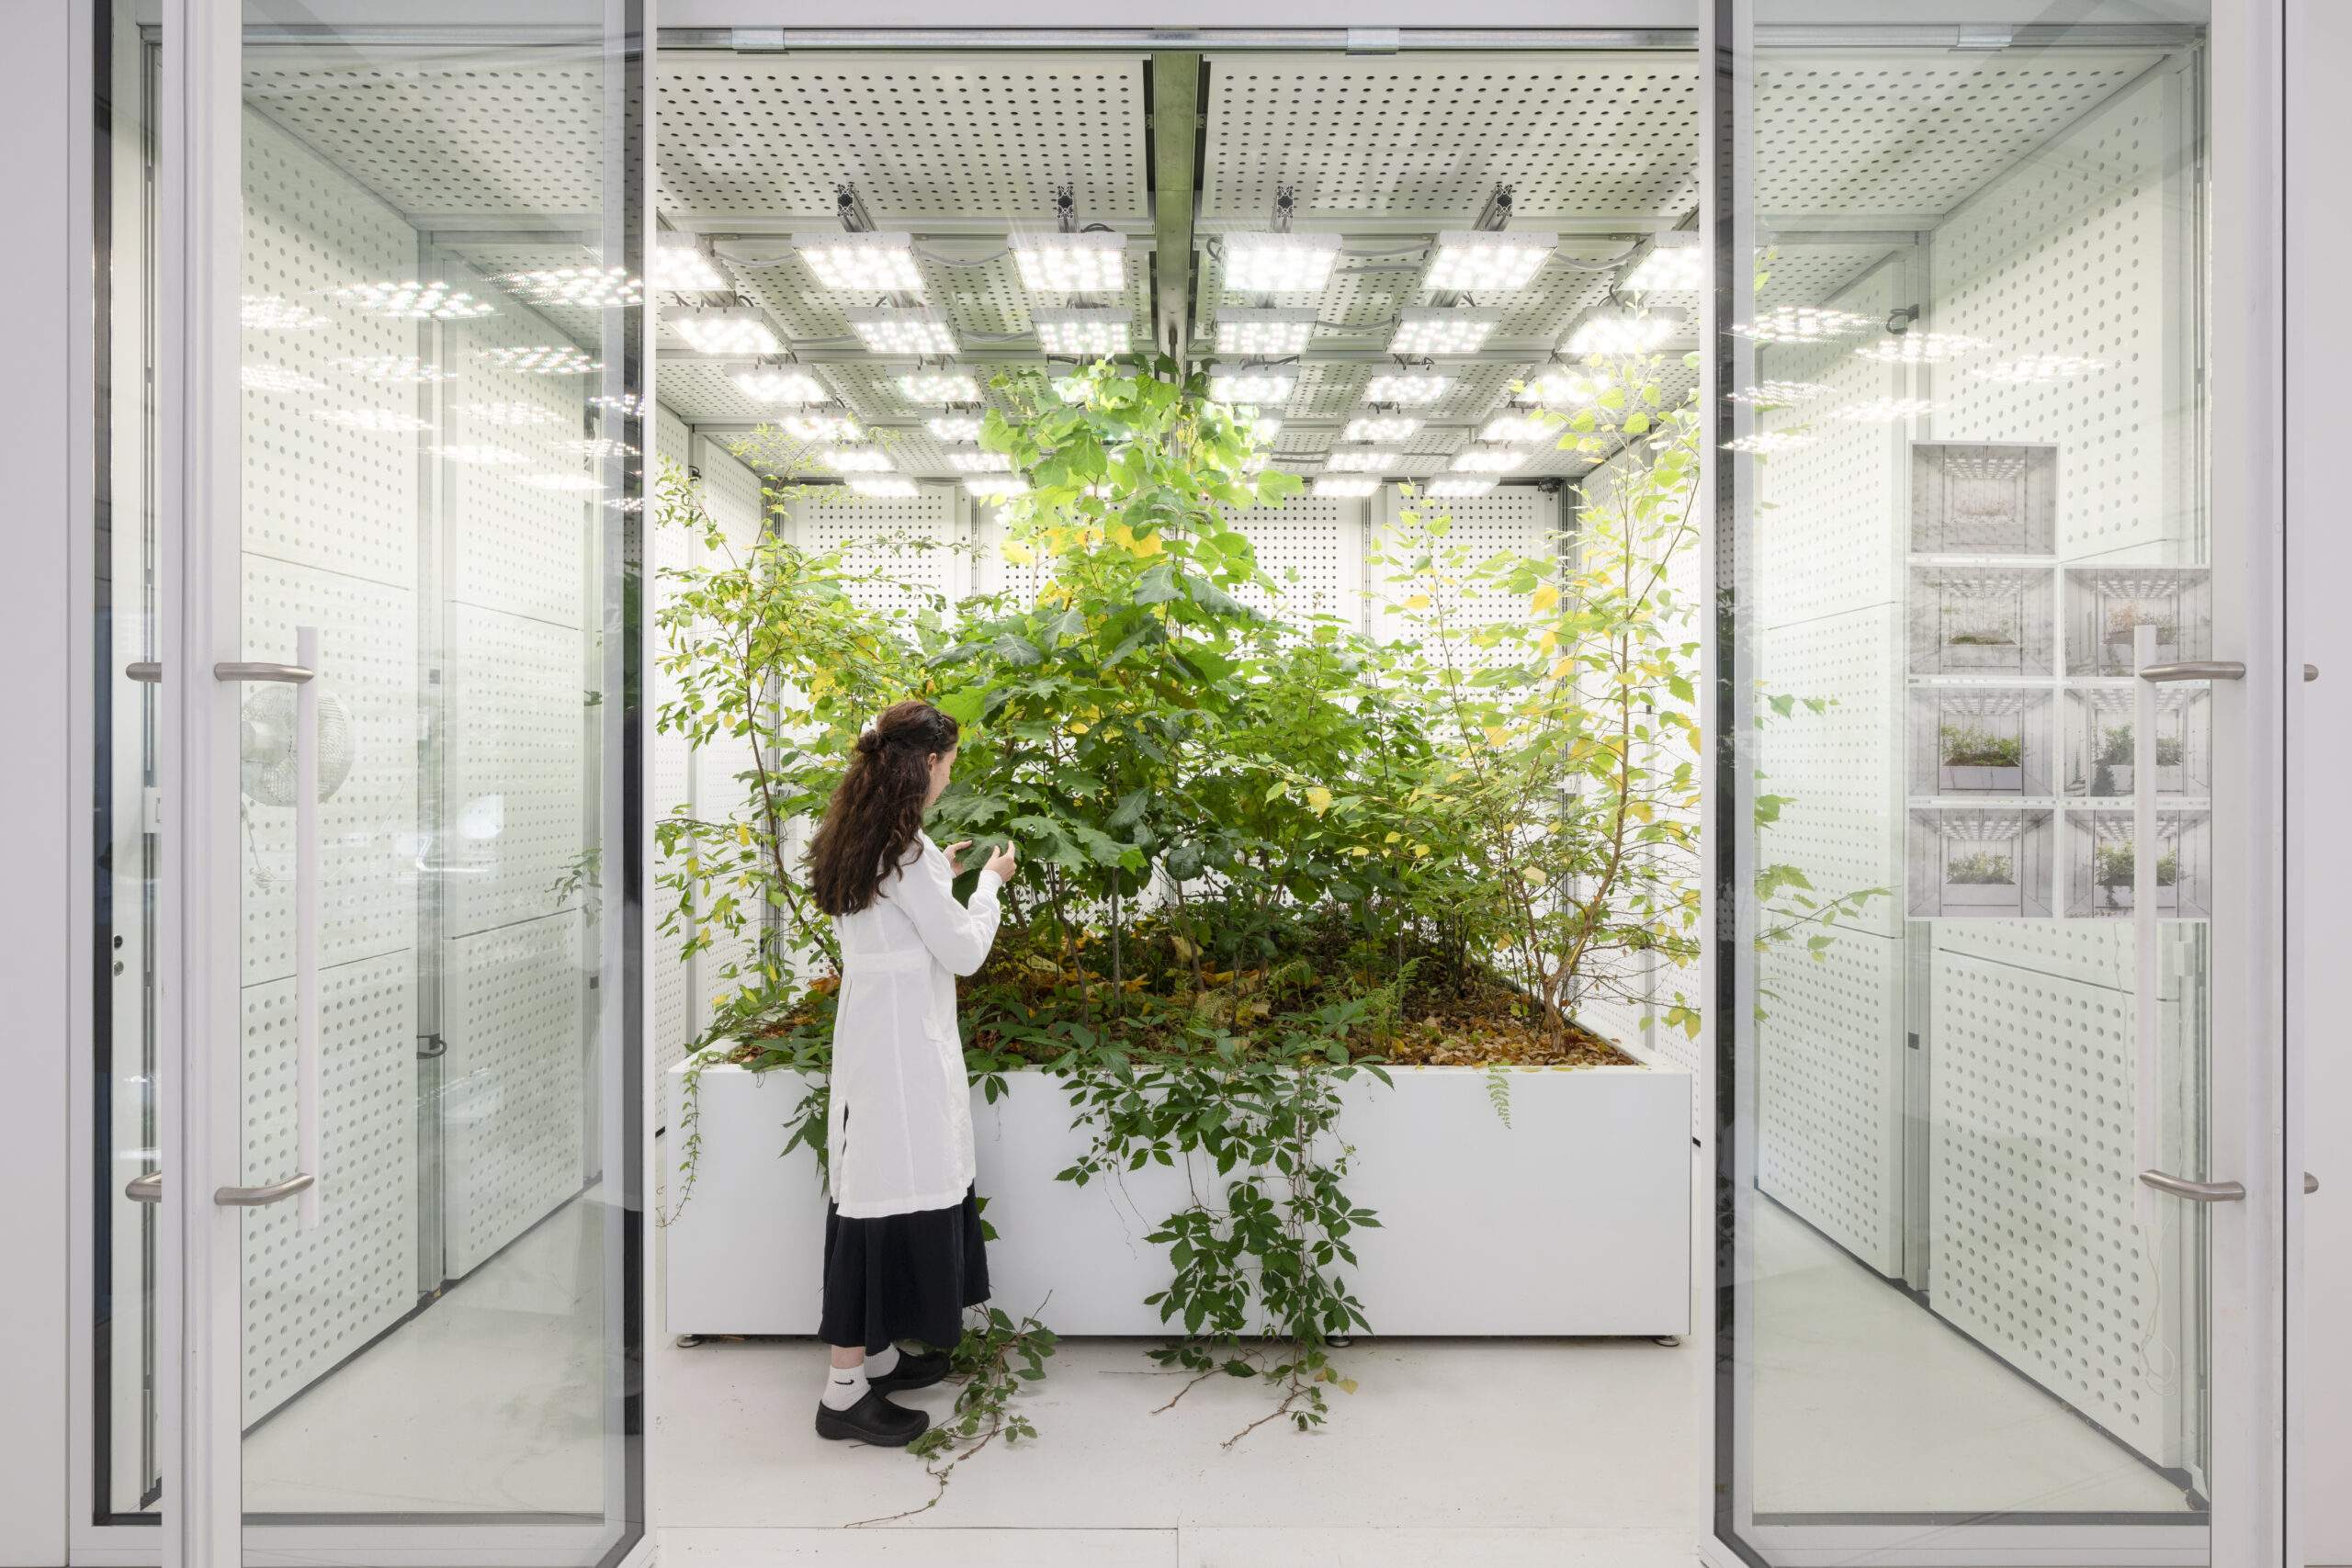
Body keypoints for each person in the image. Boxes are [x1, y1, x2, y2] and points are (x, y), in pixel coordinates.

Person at [801, 699, 1019, 1446]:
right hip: (903, 1052)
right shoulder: (909, 853)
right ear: (925, 764)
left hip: (873, 1040)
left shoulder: (858, 838)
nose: (949, 779)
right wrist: (988, 883)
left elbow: (898, 919)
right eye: (949, 767)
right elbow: (963, 951)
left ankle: (880, 1355)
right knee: (878, 1204)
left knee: (874, 1191)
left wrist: (941, 874)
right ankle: (842, 1395)